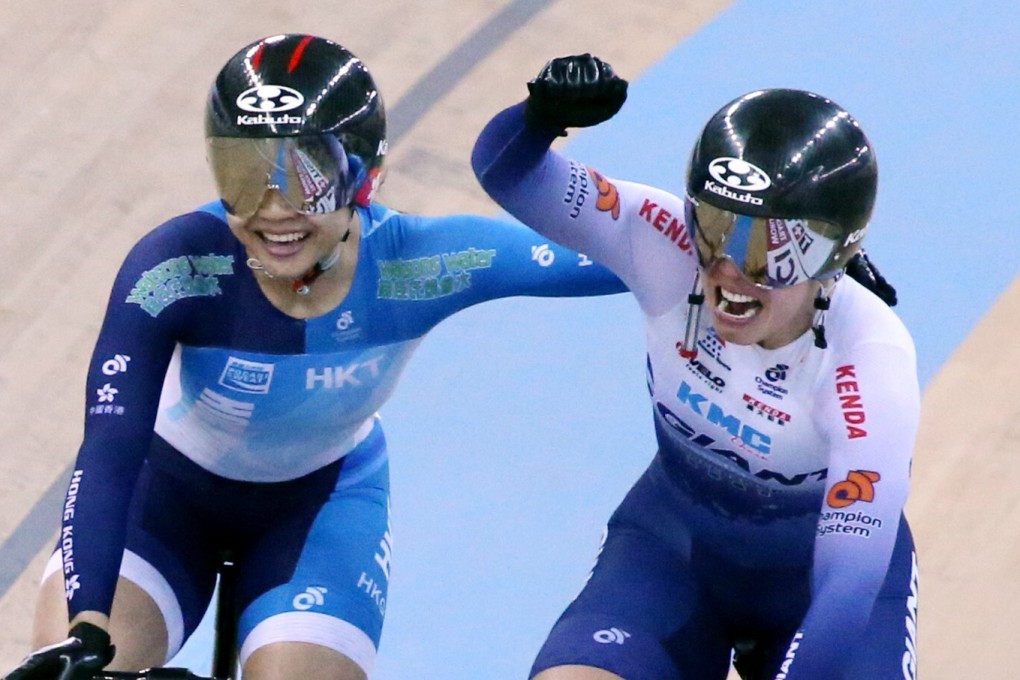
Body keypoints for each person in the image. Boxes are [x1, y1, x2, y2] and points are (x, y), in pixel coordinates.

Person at [3, 36, 626, 680]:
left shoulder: (421, 263)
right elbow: (109, 450)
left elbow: (634, 253)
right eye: (244, 176)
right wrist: (85, 632)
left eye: (306, 177)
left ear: (364, 174)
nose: (273, 209)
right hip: (163, 495)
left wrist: (537, 127)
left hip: (321, 506)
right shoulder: (178, 266)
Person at [472, 54, 919, 680]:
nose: (731, 268)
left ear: (832, 256)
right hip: (672, 553)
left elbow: (846, 595)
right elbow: (507, 173)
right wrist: (538, 118)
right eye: (715, 229)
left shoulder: (870, 358)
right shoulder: (661, 242)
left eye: (773, 250)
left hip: (823, 591)